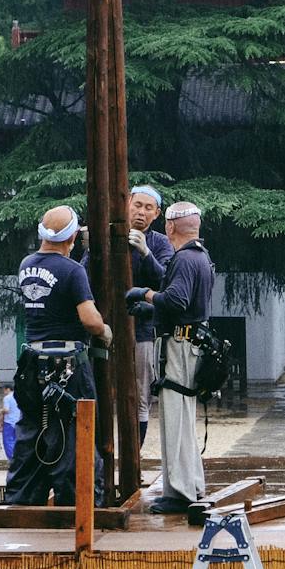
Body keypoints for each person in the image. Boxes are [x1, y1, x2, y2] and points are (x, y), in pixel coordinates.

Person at [7, 205, 111, 505]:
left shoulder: (27, 264)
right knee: (73, 436)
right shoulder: (73, 271)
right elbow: (89, 320)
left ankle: (23, 503)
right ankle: (78, 506)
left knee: (33, 431)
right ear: (75, 236)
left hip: (31, 366)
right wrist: (104, 330)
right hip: (67, 367)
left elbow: (54, 280)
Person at [126, 200, 214, 514]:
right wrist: (153, 308)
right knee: (183, 419)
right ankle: (190, 485)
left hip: (180, 346)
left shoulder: (183, 259)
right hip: (191, 343)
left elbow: (176, 301)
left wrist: (144, 294)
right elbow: (187, 305)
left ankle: (179, 493)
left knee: (176, 418)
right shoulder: (201, 257)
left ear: (170, 227)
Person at [125, 185, 174, 446]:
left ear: (156, 214)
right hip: (107, 326)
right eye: (137, 205)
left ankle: (135, 458)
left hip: (143, 330)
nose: (141, 212)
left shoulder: (159, 242)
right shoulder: (111, 235)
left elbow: (167, 280)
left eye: (148, 208)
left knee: (140, 396)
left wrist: (146, 252)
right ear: (128, 203)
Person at [0, 387, 20, 462]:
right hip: (19, 422)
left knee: (8, 441)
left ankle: (12, 459)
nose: (4, 392)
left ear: (8, 389)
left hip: (9, 422)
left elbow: (6, 410)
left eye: (4, 390)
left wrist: (1, 411)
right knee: (17, 441)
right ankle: (18, 458)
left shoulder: (7, 398)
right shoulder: (19, 396)